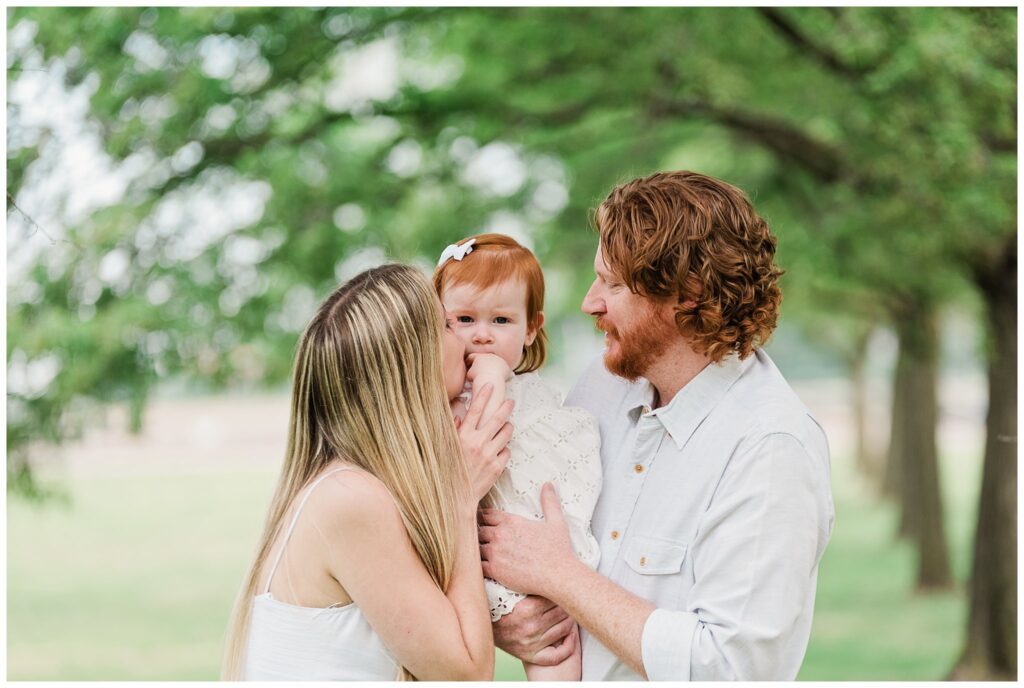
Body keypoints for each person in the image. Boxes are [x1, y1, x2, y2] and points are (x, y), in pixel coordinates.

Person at [480, 171, 836, 680]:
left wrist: (562, 577)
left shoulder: (770, 448)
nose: (589, 303)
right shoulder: (602, 388)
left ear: (685, 293)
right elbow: (525, 546)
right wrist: (510, 622)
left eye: (612, 284)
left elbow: (731, 668)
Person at [221, 263, 515, 680]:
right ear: (414, 364)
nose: (466, 338)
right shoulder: (349, 498)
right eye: (447, 326)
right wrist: (460, 498)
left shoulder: (349, 486)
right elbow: (464, 675)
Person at [433, 233, 602, 681]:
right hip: (480, 551)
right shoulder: (438, 396)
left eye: (502, 320)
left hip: (536, 522)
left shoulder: (522, 390)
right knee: (542, 646)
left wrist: (490, 373)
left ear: (531, 327)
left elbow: (496, 422)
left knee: (557, 649)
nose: (482, 334)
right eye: (464, 318)